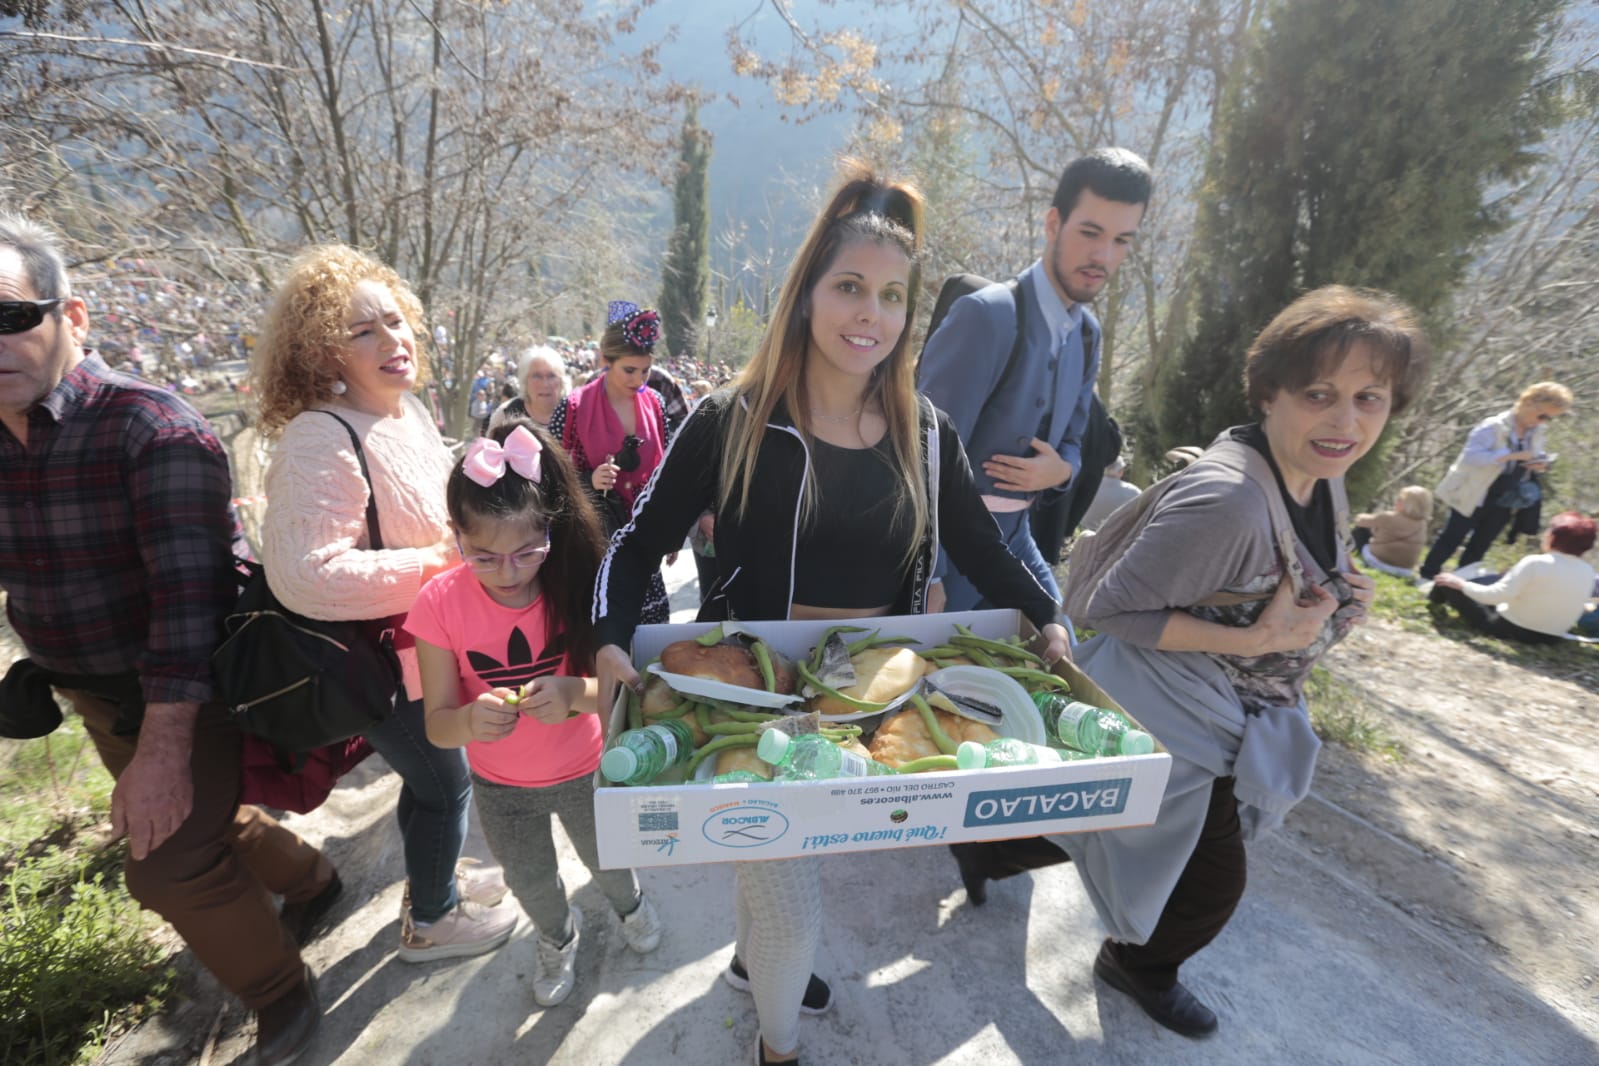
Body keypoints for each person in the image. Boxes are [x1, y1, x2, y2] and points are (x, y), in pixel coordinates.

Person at [591, 165, 1070, 1066]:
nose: (869, 314)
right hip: (749, 697)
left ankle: (751, 966)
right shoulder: (729, 420)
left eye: (891, 296)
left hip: (868, 699)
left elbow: (983, 551)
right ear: (807, 293)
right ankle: (776, 1049)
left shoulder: (928, 434)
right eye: (849, 286)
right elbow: (635, 540)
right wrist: (609, 638)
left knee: (784, 875)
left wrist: (1047, 613)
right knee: (791, 897)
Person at [948, 286, 1429, 1039]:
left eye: (1369, 398)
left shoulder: (1319, 474)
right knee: (1209, 885)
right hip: (1169, 709)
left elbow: (1274, 584)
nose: (1345, 421)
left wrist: (1338, 592)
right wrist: (1257, 641)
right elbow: (1100, 606)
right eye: (1319, 394)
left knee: (1096, 812)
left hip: (1220, 706)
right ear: (1269, 393)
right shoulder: (1230, 501)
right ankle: (1137, 967)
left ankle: (986, 849)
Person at [0, 213, 331, 1064]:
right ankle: (313, 881)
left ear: (71, 318)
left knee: (168, 866)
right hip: (91, 692)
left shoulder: (150, 428)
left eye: (10, 316)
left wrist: (161, 750)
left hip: (190, 692)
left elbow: (191, 606)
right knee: (199, 820)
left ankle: (280, 991)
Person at [253, 245, 521, 963]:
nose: (391, 340)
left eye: (395, 322)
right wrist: (441, 562)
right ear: (324, 353)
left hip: (425, 651)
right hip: (378, 666)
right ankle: (432, 921)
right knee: (444, 784)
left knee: (431, 781)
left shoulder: (407, 414)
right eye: (362, 331)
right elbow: (304, 575)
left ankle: (434, 876)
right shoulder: (319, 437)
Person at [408, 421, 662, 1008]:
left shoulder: (575, 582)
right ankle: (556, 934)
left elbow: (627, 694)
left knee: (609, 860)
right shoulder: (438, 603)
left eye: (527, 552)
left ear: (551, 528)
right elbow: (438, 725)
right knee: (529, 879)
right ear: (456, 536)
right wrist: (469, 721)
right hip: (500, 789)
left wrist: (574, 692)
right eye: (484, 557)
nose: (509, 572)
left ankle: (631, 906)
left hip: (587, 770)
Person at [918, 148, 1153, 613]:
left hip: (1018, 540)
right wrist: (931, 574)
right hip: (947, 552)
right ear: (1053, 224)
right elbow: (922, 453)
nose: (1103, 256)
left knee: (1062, 644)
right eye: (1090, 233)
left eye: (1122, 240)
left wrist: (1061, 471)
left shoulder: (1087, 336)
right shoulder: (986, 316)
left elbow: (1073, 442)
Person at [549, 301, 676, 624]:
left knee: (649, 634)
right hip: (594, 542)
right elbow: (547, 476)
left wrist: (672, 530)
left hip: (643, 539)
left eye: (645, 370)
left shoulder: (656, 403)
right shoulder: (573, 407)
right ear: (606, 361)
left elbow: (668, 473)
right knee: (602, 629)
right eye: (629, 370)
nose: (639, 379)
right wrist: (589, 480)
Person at [1418, 382, 1571, 580]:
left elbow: (1534, 454)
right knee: (1453, 535)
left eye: (1549, 419)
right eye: (1542, 416)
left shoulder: (1537, 432)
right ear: (1528, 403)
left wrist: (1540, 463)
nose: (1543, 422)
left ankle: (1461, 584)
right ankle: (1427, 575)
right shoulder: (1492, 426)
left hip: (1506, 495)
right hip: (1476, 490)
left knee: (1482, 542)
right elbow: (1471, 457)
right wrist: (1510, 456)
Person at [1428, 511, 1596, 644]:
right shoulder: (1588, 571)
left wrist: (1461, 584)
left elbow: (1495, 596)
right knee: (1494, 579)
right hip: (1552, 637)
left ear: (1552, 537)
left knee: (1446, 581)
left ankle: (1433, 600)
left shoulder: (1536, 562)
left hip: (1510, 629)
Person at [1354, 485, 1432, 577]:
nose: (1397, 501)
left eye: (1400, 499)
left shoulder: (1389, 517)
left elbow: (1359, 520)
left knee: (1359, 531)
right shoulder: (1422, 524)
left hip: (1377, 562)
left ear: (1409, 504)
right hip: (1404, 571)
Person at [489, 345, 568, 433]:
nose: (545, 384)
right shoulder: (504, 415)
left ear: (562, 381)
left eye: (551, 376)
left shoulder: (574, 413)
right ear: (525, 380)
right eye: (536, 376)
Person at [1078, 454, 1142, 532]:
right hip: (1119, 536)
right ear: (1121, 472)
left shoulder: (1085, 488)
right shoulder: (1135, 492)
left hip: (1087, 535)